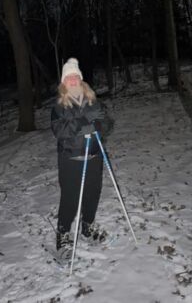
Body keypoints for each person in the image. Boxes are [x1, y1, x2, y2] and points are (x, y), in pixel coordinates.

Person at [51, 58, 114, 254]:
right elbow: (59, 131)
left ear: (80, 79)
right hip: (71, 159)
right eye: (68, 77)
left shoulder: (93, 101)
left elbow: (107, 123)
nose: (72, 80)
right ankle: (63, 234)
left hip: (94, 156)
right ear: (63, 82)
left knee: (93, 194)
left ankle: (87, 226)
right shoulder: (59, 107)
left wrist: (99, 126)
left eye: (75, 76)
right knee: (70, 198)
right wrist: (82, 124)